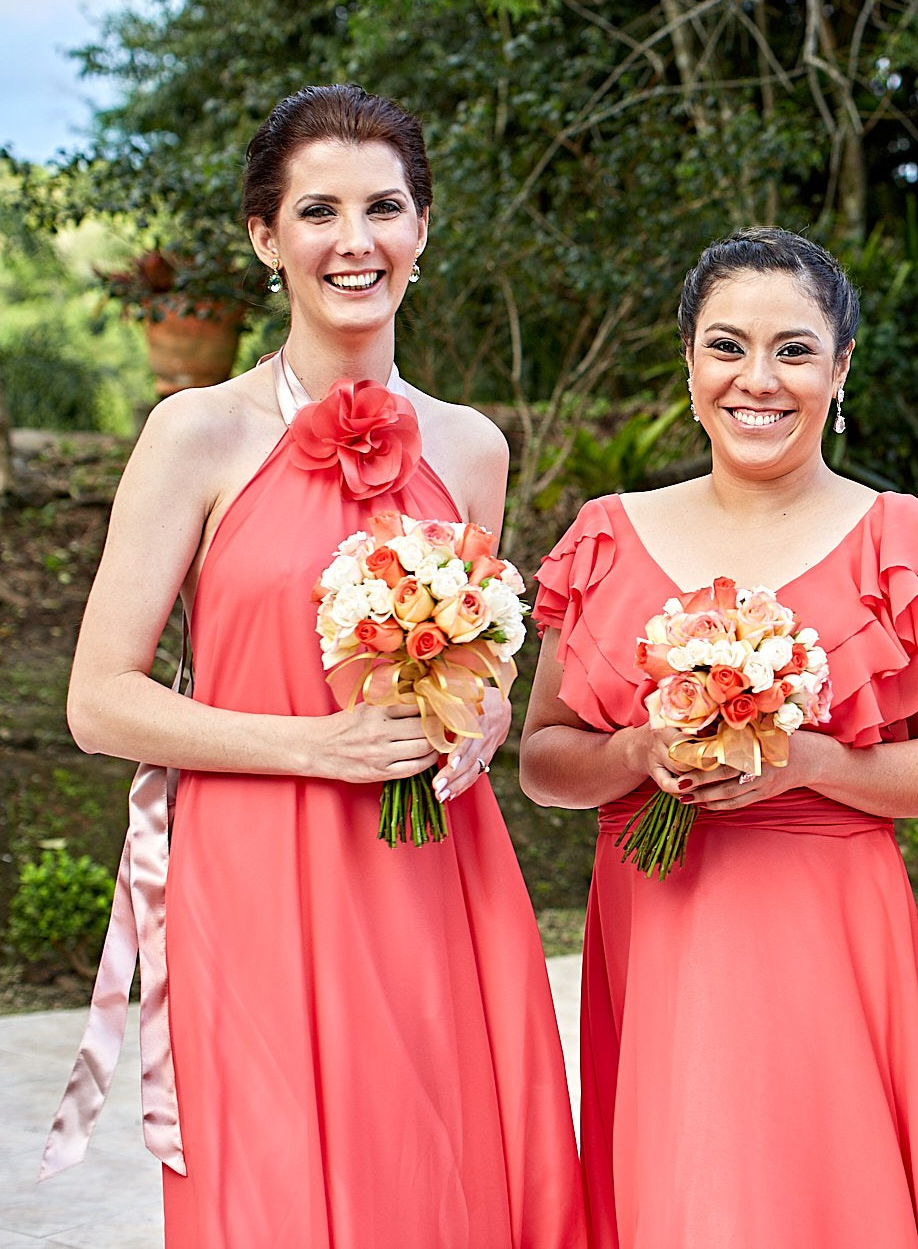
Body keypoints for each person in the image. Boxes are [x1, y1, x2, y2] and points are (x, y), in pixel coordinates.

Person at [59, 85, 584, 1247]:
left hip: (430, 867)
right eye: (318, 211)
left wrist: (486, 714)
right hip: (251, 867)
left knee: (435, 1173)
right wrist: (316, 747)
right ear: (265, 238)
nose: (356, 241)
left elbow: (479, 657)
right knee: (276, 1188)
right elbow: (98, 701)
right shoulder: (195, 433)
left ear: (422, 229)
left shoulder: (471, 446)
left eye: (384, 208)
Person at [519, 227, 918, 1249]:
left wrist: (808, 761)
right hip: (661, 935)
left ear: (840, 368)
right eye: (727, 346)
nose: (758, 379)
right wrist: (632, 754)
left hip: (829, 941)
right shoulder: (604, 538)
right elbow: (543, 762)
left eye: (794, 350)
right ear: (688, 363)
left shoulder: (910, 545)